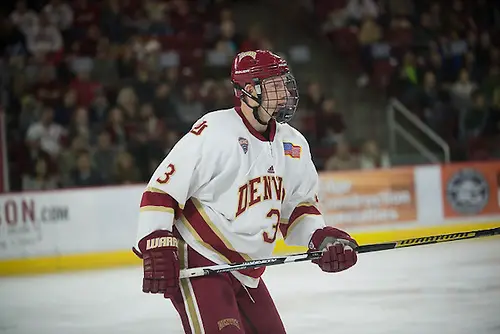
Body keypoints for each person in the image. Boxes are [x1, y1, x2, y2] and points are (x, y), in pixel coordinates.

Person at [132, 50, 358, 333]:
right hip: (201, 257)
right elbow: (161, 192)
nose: (285, 91)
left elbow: (299, 208)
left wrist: (320, 238)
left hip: (248, 271)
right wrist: (155, 239)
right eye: (275, 84)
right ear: (250, 91)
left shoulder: (294, 143)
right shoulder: (213, 130)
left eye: (284, 82)